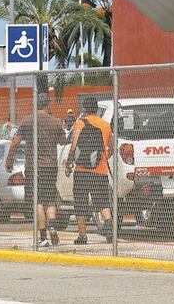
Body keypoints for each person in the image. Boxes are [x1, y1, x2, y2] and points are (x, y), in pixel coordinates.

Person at [7, 93, 66, 247]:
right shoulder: (55, 122)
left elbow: (15, 143)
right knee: (50, 199)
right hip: (51, 165)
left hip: (34, 166)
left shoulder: (27, 121)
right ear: (48, 105)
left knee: (38, 201)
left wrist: (9, 161)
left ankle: (43, 236)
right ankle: (52, 225)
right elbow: (62, 141)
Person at [65, 97, 113, 244]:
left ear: (84, 109)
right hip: (100, 171)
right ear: (97, 109)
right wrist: (103, 158)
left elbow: (73, 147)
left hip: (82, 171)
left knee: (80, 203)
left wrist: (68, 164)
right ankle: (109, 224)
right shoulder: (105, 125)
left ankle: (82, 235)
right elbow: (110, 148)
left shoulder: (79, 123)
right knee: (102, 201)